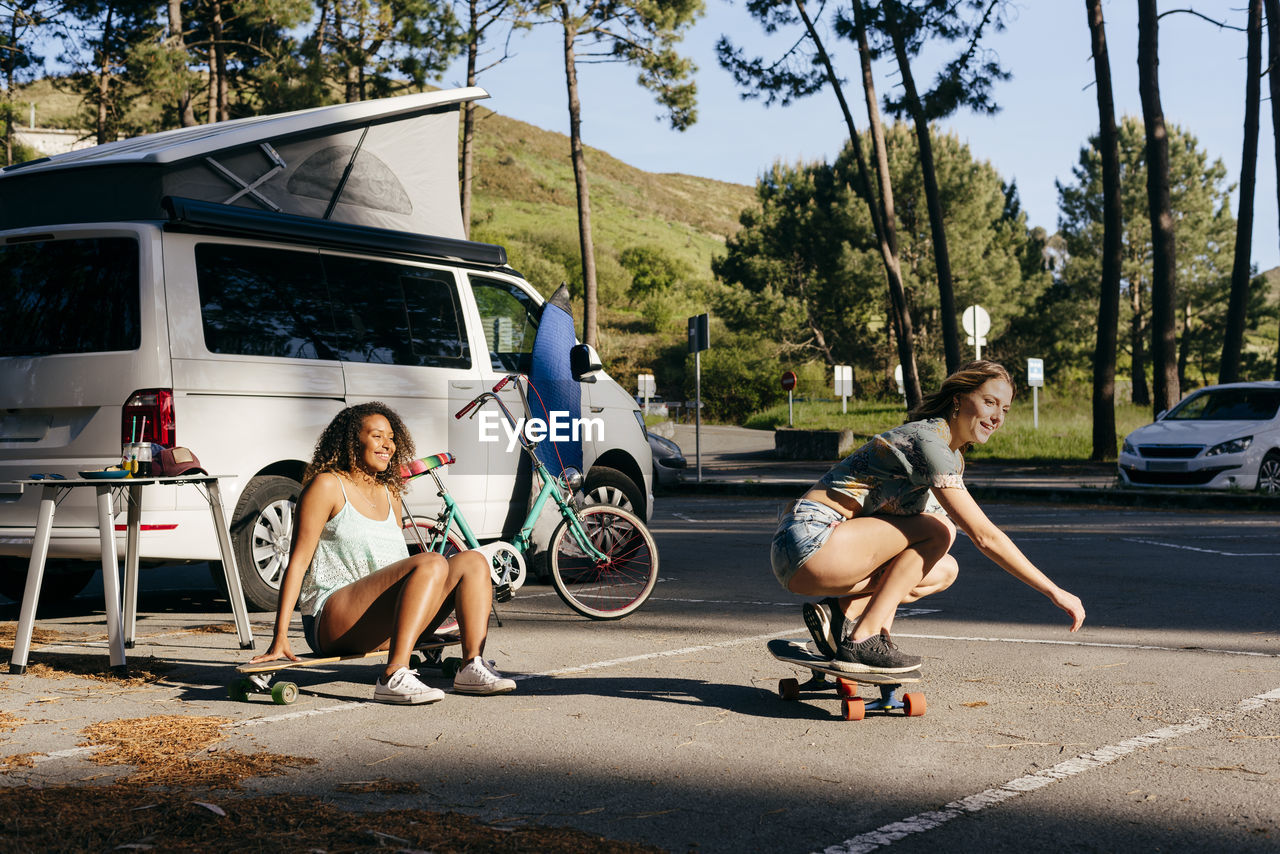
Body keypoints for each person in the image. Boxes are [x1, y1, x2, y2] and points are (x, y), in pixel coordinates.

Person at [770, 360, 1086, 673]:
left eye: (1005, 409)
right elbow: (984, 536)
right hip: (809, 539)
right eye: (989, 402)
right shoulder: (928, 442)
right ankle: (861, 641)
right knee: (940, 531)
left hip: (829, 555)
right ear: (959, 399)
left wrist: (883, 652)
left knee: (944, 569)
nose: (996, 416)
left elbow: (905, 554)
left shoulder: (953, 458)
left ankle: (845, 619)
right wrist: (1054, 592)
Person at [250, 402, 516, 704]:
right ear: (352, 441)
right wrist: (280, 637)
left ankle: (472, 665)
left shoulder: (390, 492)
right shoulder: (326, 486)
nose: (387, 444)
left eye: (390, 437)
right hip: (333, 620)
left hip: (381, 622)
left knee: (474, 561)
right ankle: (393, 675)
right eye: (376, 436)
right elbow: (296, 563)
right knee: (431, 561)